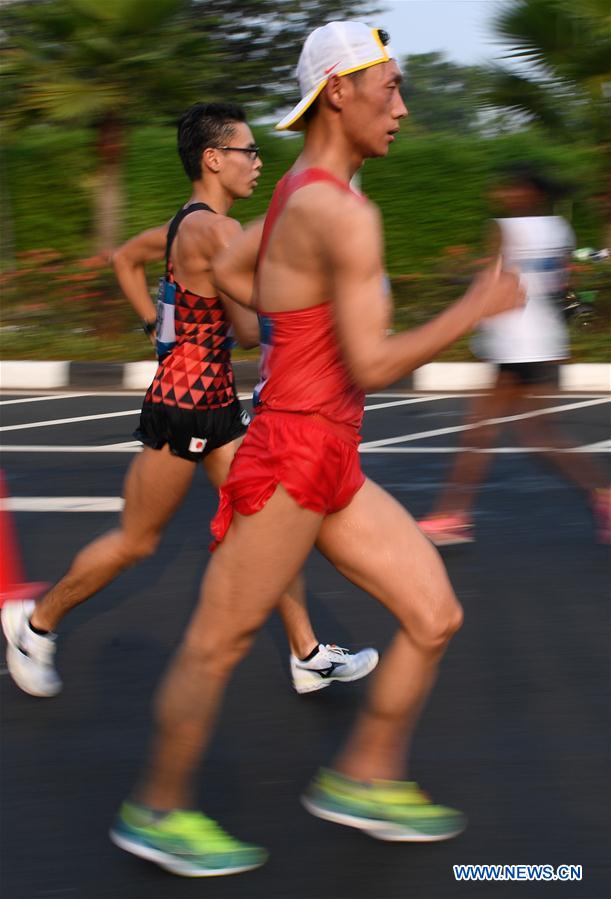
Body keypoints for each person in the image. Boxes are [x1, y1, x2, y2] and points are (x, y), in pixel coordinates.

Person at [109, 22, 523, 878]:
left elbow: (230, 277)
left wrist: (283, 332)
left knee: (433, 614)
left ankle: (363, 774)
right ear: (338, 90)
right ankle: (154, 810)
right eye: (391, 88)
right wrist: (471, 308)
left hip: (332, 453)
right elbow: (371, 361)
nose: (401, 108)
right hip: (292, 455)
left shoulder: (299, 189)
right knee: (216, 642)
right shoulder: (339, 210)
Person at [1, 101, 378, 699]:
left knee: (261, 524)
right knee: (137, 541)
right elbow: (252, 329)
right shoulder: (221, 232)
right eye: (247, 151)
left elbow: (125, 259)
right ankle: (35, 625)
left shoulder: (184, 223)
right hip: (186, 409)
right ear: (213, 158)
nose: (257, 162)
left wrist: (154, 322)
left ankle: (306, 653)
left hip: (211, 402)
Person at [418, 165, 611, 546]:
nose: (503, 194)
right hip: (543, 343)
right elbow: (564, 286)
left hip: (513, 342)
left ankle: (452, 515)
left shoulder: (504, 229)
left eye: (509, 188)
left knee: (483, 432)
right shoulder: (560, 229)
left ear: (527, 192)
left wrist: (464, 304)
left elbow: (492, 282)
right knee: (537, 434)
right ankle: (603, 495)